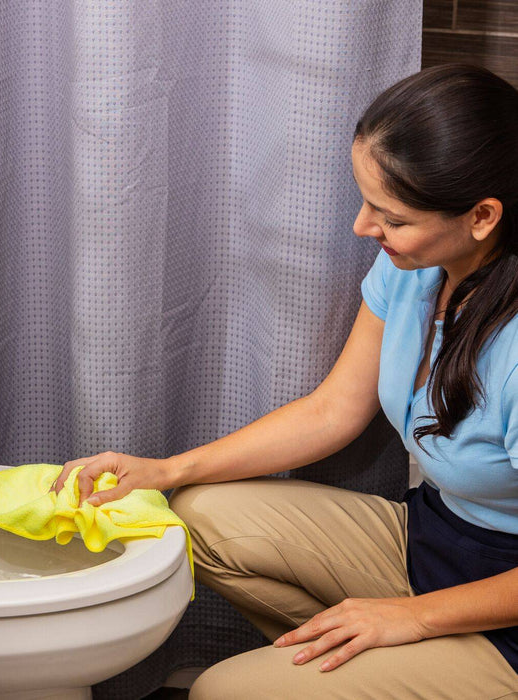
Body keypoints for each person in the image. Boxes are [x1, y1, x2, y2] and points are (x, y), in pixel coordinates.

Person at [53, 64, 518, 698]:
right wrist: (169, 469)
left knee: (223, 692)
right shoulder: (418, 269)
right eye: (365, 202)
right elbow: (333, 410)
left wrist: (410, 619)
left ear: (483, 216)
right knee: (182, 514)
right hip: (432, 541)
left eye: (391, 216)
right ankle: (368, 667)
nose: (361, 228)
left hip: (505, 617)